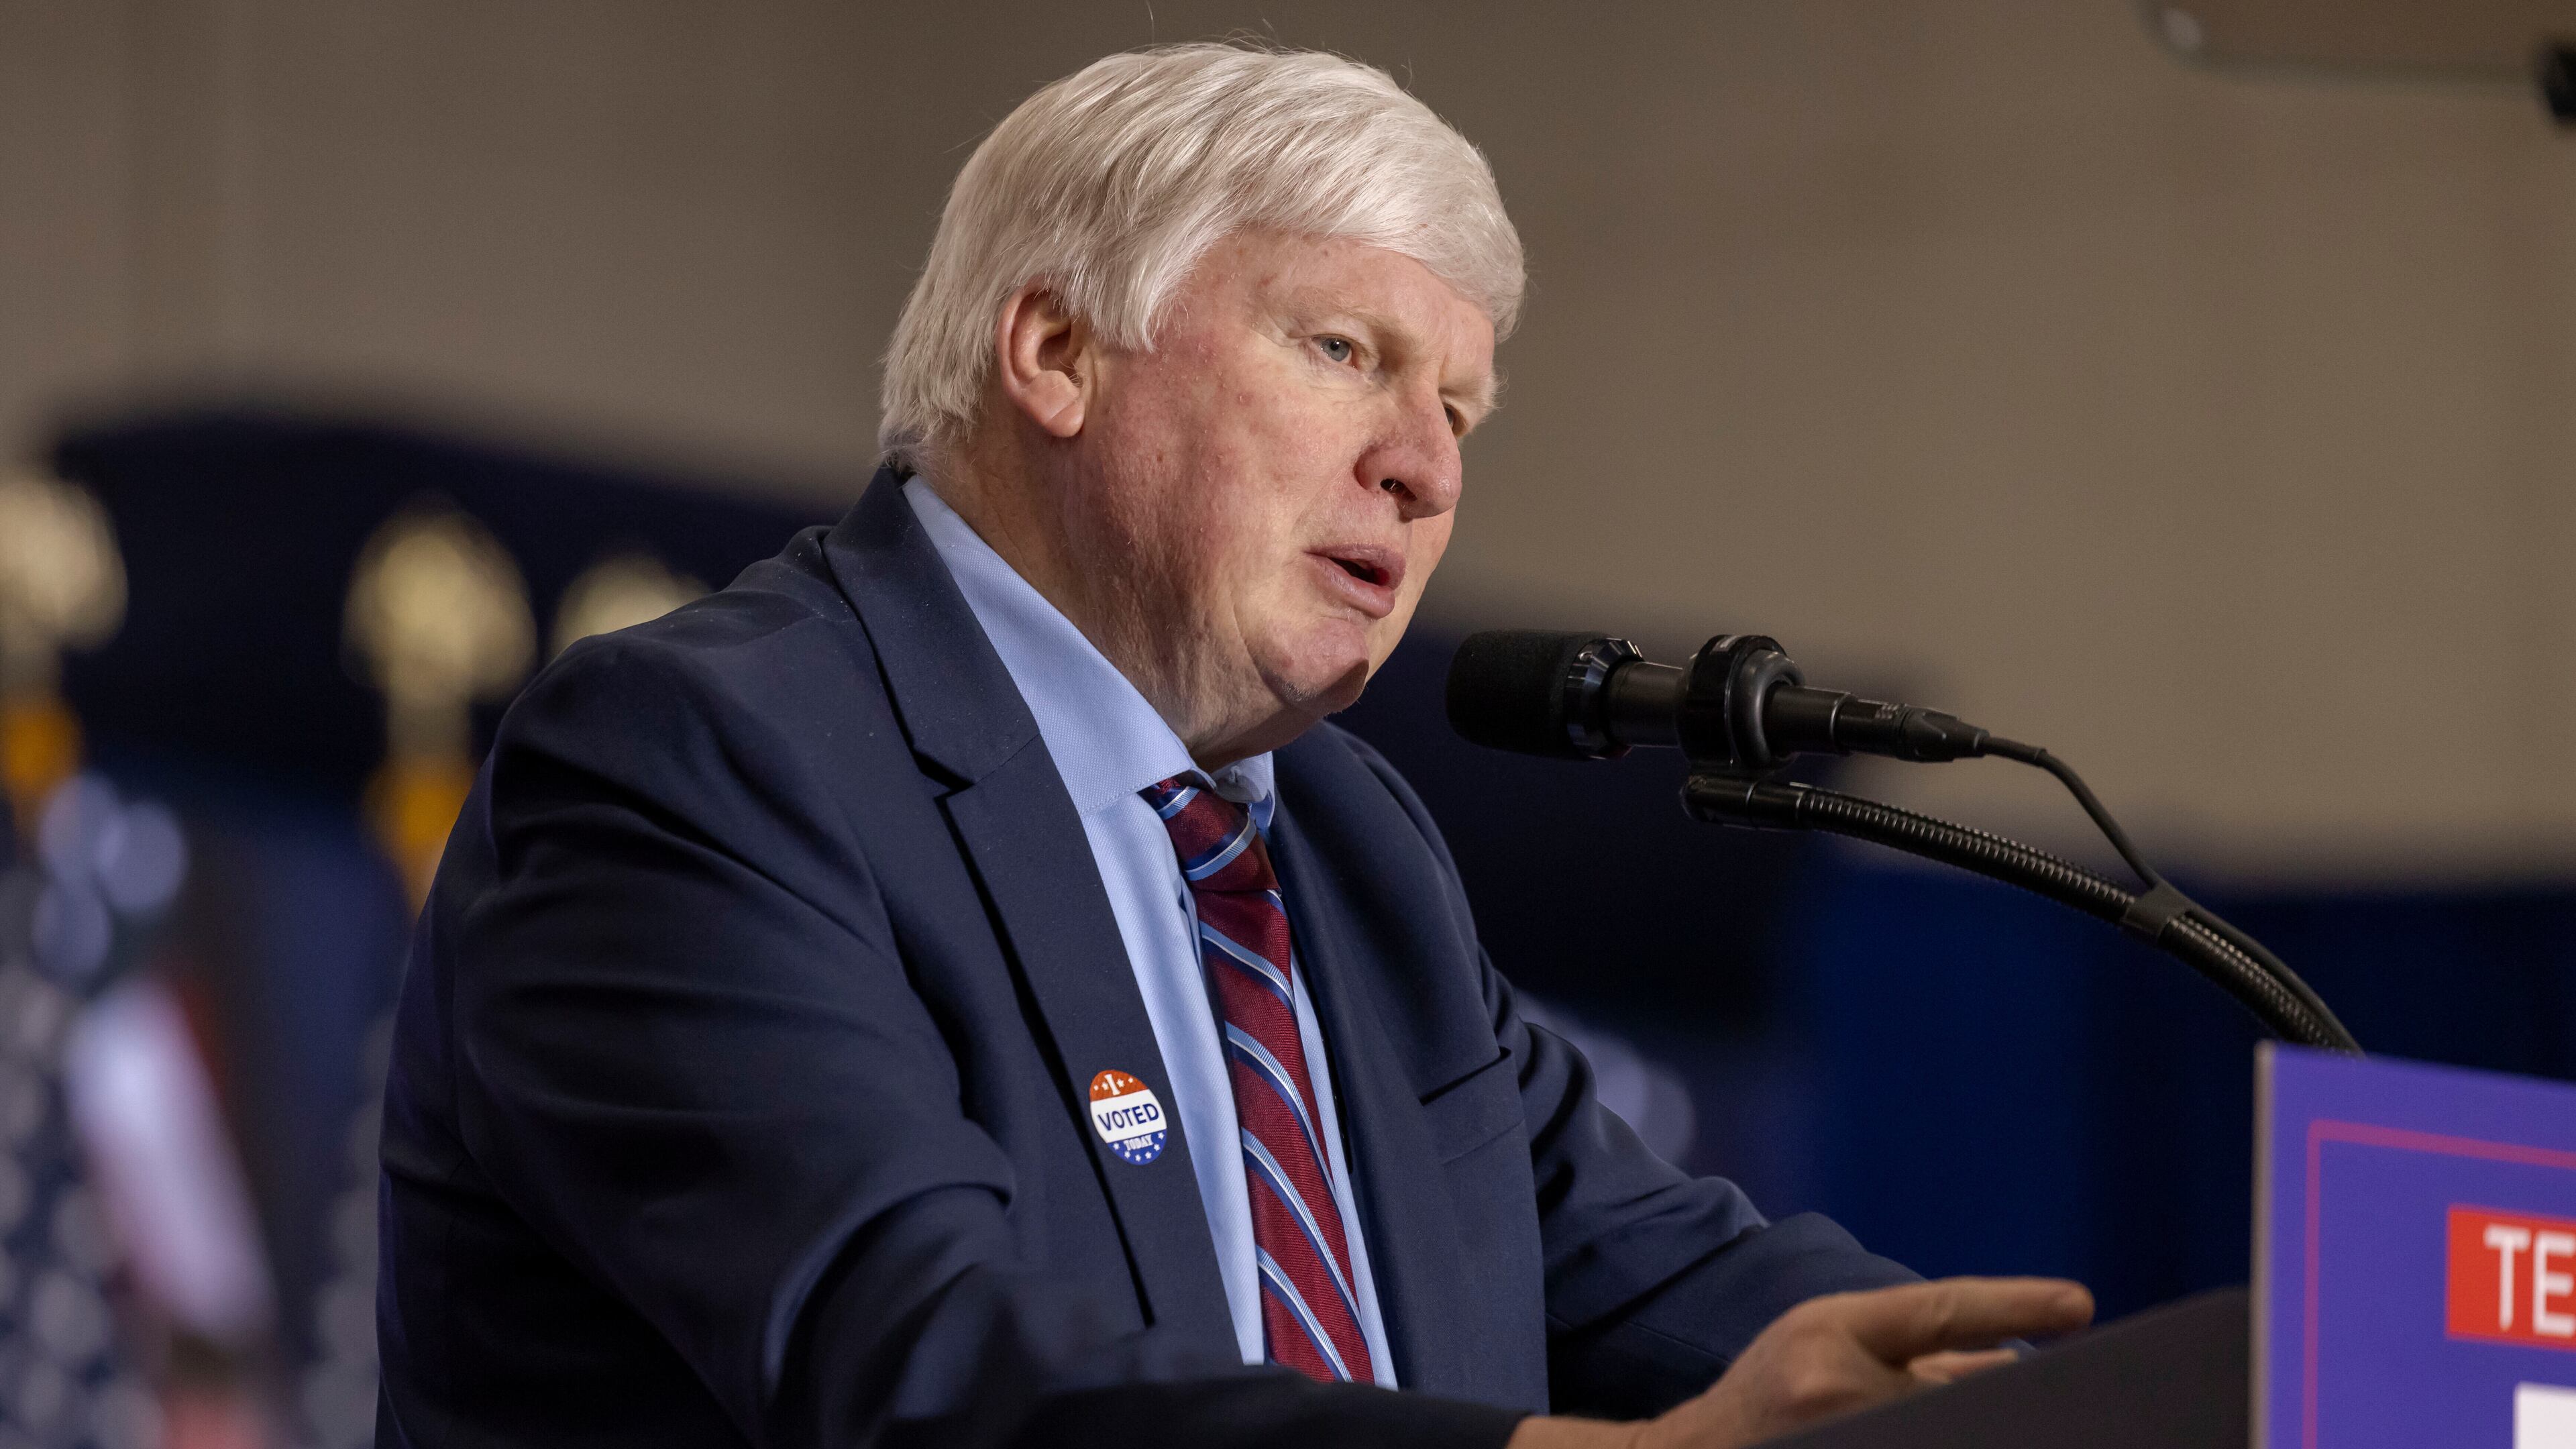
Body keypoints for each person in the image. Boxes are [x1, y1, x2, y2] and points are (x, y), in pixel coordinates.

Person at [374, 42, 2092, 1449]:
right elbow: (924, 1368)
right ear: (1055, 350)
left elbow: (1661, 1272)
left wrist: (2072, 1410)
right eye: (1345, 352)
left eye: (1459, 410)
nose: (1427, 467)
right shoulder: (700, 760)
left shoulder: (1345, 841)